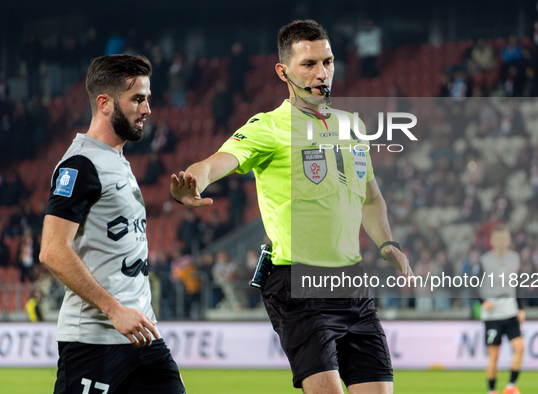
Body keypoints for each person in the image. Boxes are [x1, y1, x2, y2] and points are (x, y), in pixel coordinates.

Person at [171, 19, 412, 394]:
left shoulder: (352, 126)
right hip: (297, 282)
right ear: (283, 71)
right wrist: (194, 181)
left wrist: (386, 243)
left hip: (352, 282)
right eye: (309, 64)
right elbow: (219, 160)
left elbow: (371, 197)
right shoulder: (268, 126)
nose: (322, 73)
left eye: (328, 62)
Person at [39, 55, 185, 394]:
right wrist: (114, 310)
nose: (147, 109)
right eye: (137, 99)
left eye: (147, 98)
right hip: (94, 344)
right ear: (104, 103)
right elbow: (52, 250)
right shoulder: (80, 165)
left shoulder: (116, 160)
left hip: (144, 337)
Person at [477, 225, 525, 394]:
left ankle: (511, 385)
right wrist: (482, 301)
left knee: (520, 347)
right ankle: (492, 390)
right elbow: (472, 285)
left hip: (510, 310)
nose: (502, 242)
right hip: (492, 314)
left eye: (505, 238)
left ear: (509, 240)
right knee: (494, 355)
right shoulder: (484, 261)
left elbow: (518, 285)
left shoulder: (515, 258)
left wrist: (521, 308)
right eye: (498, 239)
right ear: (491, 241)